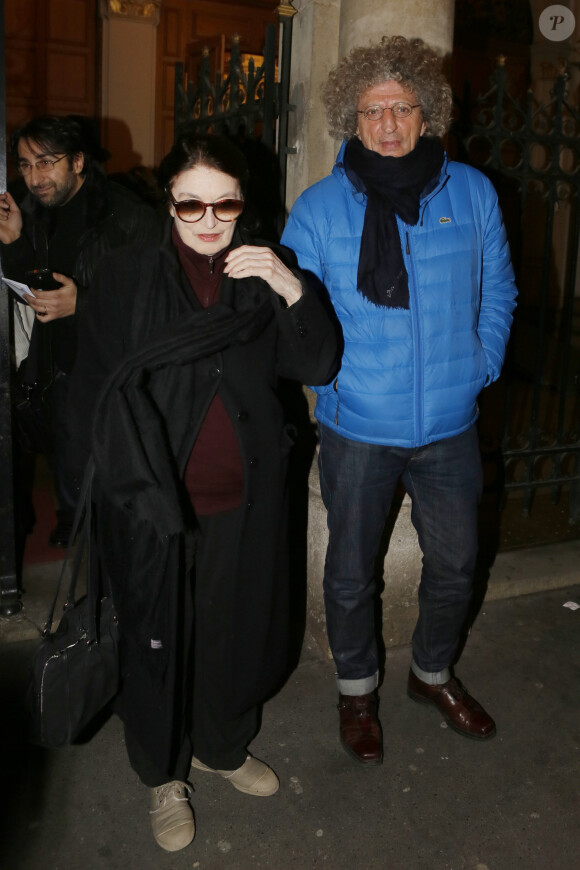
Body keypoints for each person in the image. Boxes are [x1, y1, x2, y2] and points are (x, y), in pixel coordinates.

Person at [66, 132, 340, 852]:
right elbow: (94, 391)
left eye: (226, 204)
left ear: (244, 206)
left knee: (235, 632)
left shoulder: (262, 275)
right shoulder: (127, 276)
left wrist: (291, 286)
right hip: (155, 505)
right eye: (192, 204)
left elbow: (317, 362)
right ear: (169, 202)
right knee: (159, 643)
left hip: (245, 502)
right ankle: (163, 774)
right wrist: (102, 496)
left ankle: (222, 746)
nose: (210, 219)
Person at [281, 36, 518, 765]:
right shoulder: (319, 207)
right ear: (352, 121)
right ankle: (357, 692)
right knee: (351, 574)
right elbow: (294, 314)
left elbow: (500, 289)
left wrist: (480, 365)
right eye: (371, 111)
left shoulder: (471, 192)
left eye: (401, 108)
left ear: (428, 112)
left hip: (450, 422)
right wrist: (327, 389)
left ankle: (430, 674)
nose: (387, 123)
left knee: (456, 563)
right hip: (359, 426)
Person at [0, 115, 160, 548]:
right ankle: (78, 541)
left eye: (45, 163)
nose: (34, 177)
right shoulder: (37, 212)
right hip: (58, 370)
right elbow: (35, 293)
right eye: (25, 165)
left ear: (78, 161)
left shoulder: (129, 217)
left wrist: (83, 303)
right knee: (68, 475)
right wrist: (15, 242)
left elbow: (158, 306)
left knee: (112, 495)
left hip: (111, 377)